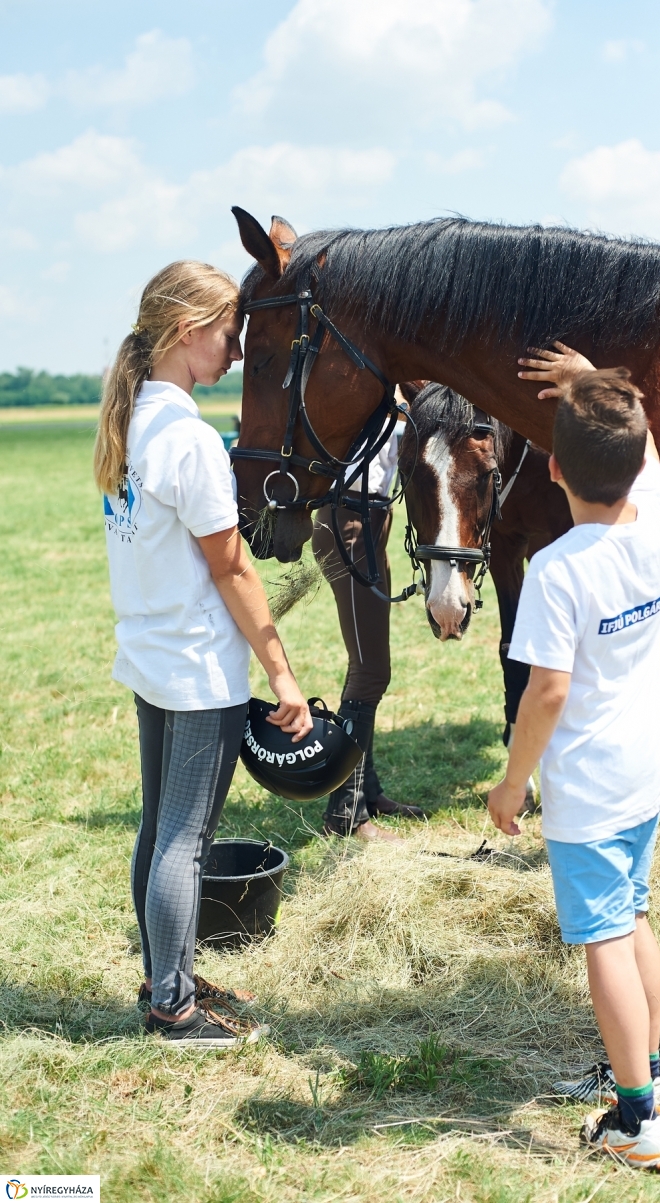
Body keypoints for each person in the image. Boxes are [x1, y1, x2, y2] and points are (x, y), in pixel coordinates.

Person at [95, 261, 312, 1047]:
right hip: (194, 667)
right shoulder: (186, 437)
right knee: (186, 838)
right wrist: (282, 671)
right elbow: (232, 566)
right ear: (189, 333)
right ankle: (173, 1007)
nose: (237, 349)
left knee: (160, 827)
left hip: (153, 653)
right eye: (229, 332)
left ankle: (168, 970)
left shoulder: (135, 420)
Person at [487, 343, 660, 1171]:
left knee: (603, 935)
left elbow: (547, 694)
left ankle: (636, 1121)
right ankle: (651, 1077)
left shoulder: (556, 572)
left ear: (553, 467)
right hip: (647, 770)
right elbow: (651, 449)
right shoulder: (659, 520)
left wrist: (511, 783)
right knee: (633, 915)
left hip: (590, 788)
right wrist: (595, 380)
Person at [311, 391, 425, 841]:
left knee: (368, 666)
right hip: (350, 522)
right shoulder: (365, 388)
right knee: (370, 670)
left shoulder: (391, 391)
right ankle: (346, 814)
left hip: (372, 521)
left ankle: (367, 791)